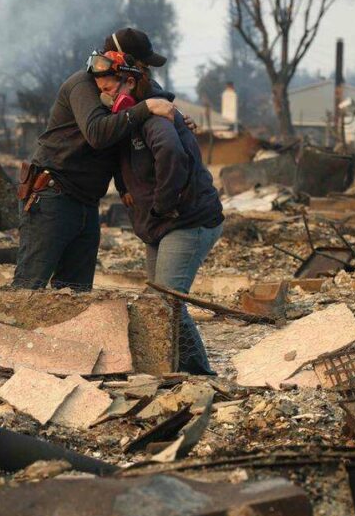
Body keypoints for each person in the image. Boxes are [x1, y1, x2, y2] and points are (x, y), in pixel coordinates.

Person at [91, 47, 225, 376]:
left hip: (187, 221)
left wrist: (163, 206)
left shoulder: (154, 117)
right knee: (159, 303)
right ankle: (176, 370)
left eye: (109, 88)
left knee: (167, 304)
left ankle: (199, 373)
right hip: (161, 225)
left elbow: (171, 153)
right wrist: (124, 190)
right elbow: (124, 162)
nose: (104, 96)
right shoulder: (130, 121)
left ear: (129, 83)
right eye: (100, 90)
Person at [11, 32, 177, 291]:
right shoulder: (84, 86)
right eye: (144, 67)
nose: (147, 75)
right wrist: (146, 108)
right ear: (126, 62)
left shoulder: (128, 88)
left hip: (86, 202)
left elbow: (127, 133)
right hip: (53, 195)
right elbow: (98, 133)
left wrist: (172, 111)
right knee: (29, 286)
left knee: (74, 291)